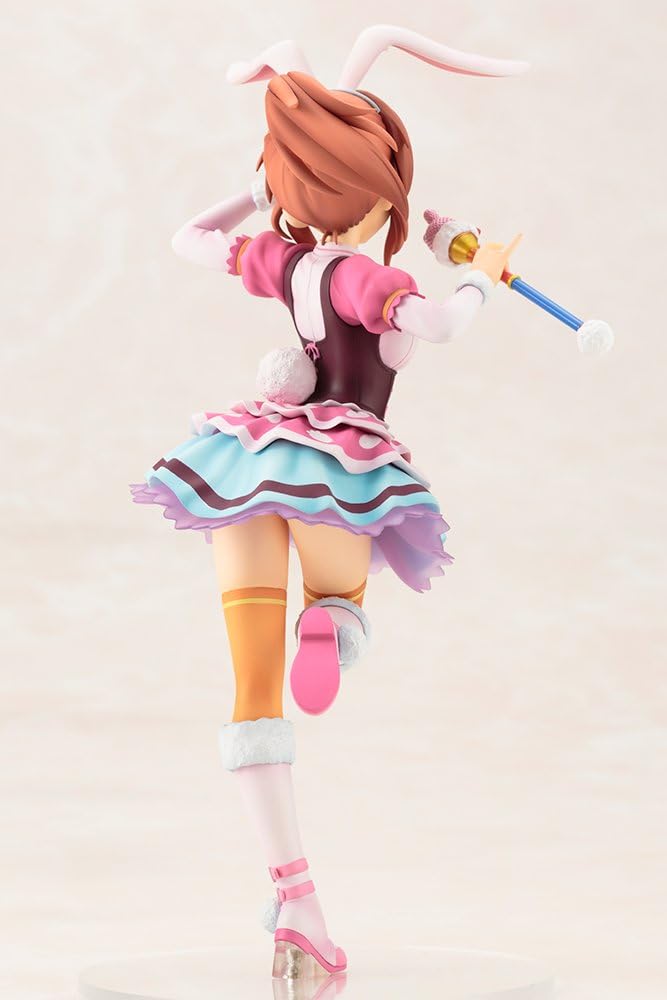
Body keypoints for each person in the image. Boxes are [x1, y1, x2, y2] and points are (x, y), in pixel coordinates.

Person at [132, 27, 525, 980]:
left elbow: (188, 239)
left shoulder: (283, 262)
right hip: (336, 471)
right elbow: (438, 324)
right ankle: (337, 619)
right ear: (382, 189)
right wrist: (480, 275)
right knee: (344, 586)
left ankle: (295, 894)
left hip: (250, 460)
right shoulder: (369, 276)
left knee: (252, 690)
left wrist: (257, 190)